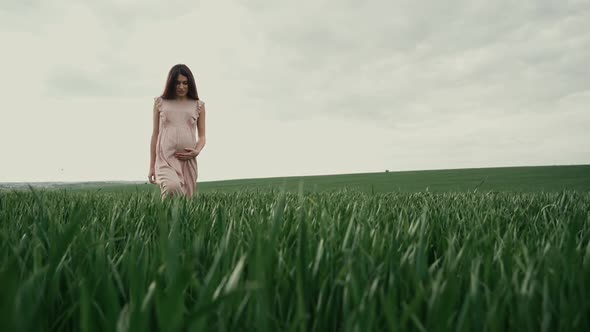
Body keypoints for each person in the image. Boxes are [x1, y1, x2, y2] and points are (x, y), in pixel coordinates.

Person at [148, 64, 206, 199]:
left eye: (185, 83)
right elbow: (155, 134)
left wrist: (197, 151)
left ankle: (166, 220)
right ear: (171, 83)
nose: (181, 87)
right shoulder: (160, 102)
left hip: (188, 160)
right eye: (177, 83)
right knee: (171, 187)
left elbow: (202, 136)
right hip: (165, 158)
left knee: (185, 202)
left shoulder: (198, 106)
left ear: (190, 84)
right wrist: (152, 165)